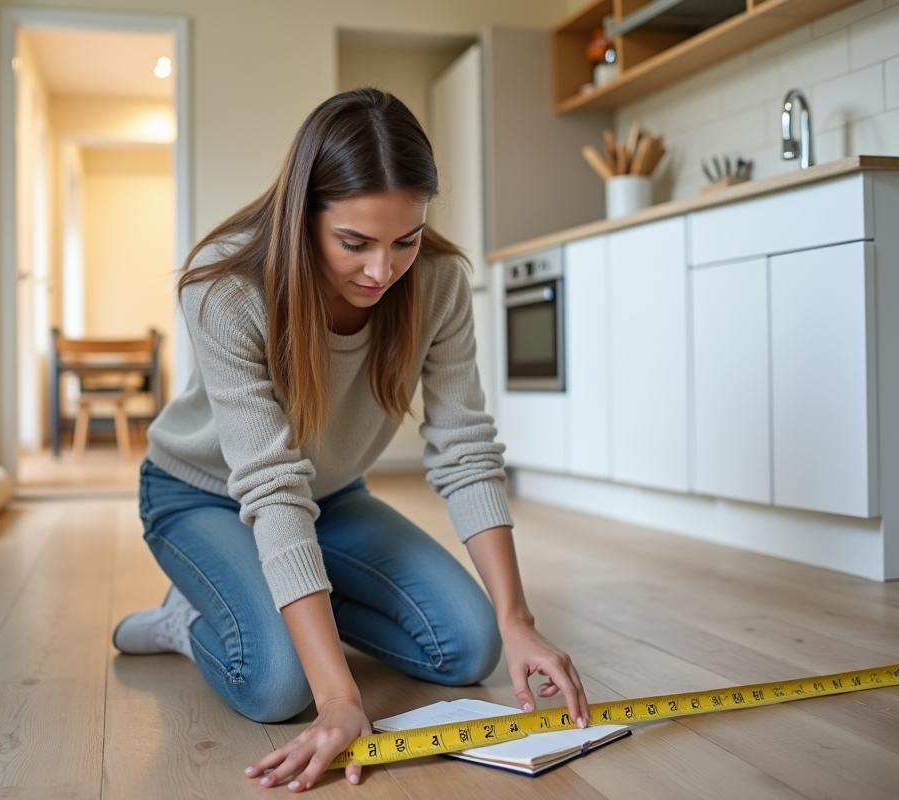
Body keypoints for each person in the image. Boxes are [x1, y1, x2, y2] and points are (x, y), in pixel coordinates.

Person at [112, 88, 589, 792]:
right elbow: (271, 486)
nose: (381, 272)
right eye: (354, 243)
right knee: (279, 684)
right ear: (302, 215)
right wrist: (339, 698)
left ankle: (285, 597)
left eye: (406, 240)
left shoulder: (439, 284)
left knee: (472, 645)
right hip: (200, 496)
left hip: (330, 496)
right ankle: (187, 620)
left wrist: (518, 619)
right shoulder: (227, 287)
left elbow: (464, 447)